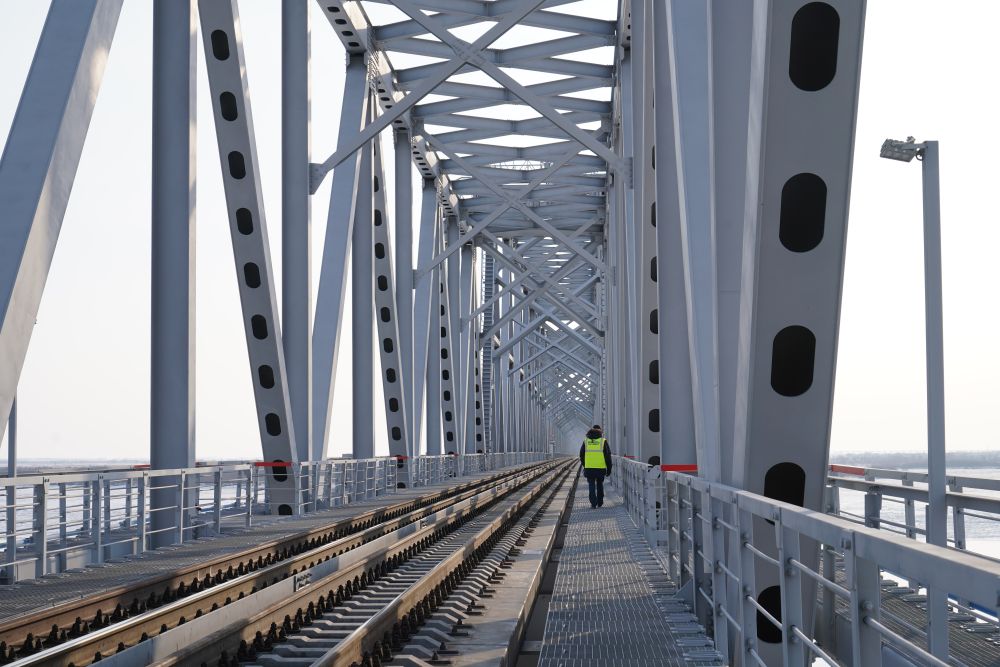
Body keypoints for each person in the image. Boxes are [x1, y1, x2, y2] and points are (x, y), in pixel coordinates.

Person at [579, 424, 612, 508]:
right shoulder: (603, 441)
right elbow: (608, 456)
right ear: (600, 432)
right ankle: (600, 502)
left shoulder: (586, 441)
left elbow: (581, 455)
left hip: (589, 468)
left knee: (591, 484)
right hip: (600, 468)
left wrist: (585, 465)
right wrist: (609, 468)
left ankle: (593, 503)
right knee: (600, 484)